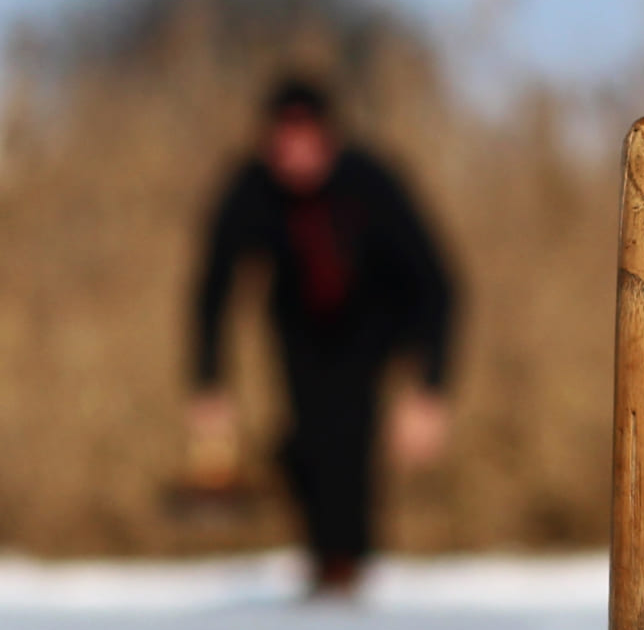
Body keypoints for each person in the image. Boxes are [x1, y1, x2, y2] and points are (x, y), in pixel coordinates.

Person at [189, 74, 456, 594]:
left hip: (376, 318)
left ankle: (346, 564)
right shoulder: (250, 189)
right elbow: (213, 289)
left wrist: (430, 386)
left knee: (347, 432)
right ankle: (329, 559)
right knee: (301, 441)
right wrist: (208, 382)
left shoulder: (372, 181)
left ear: (328, 138)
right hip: (296, 324)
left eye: (304, 140)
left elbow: (438, 284)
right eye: (281, 143)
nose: (292, 157)